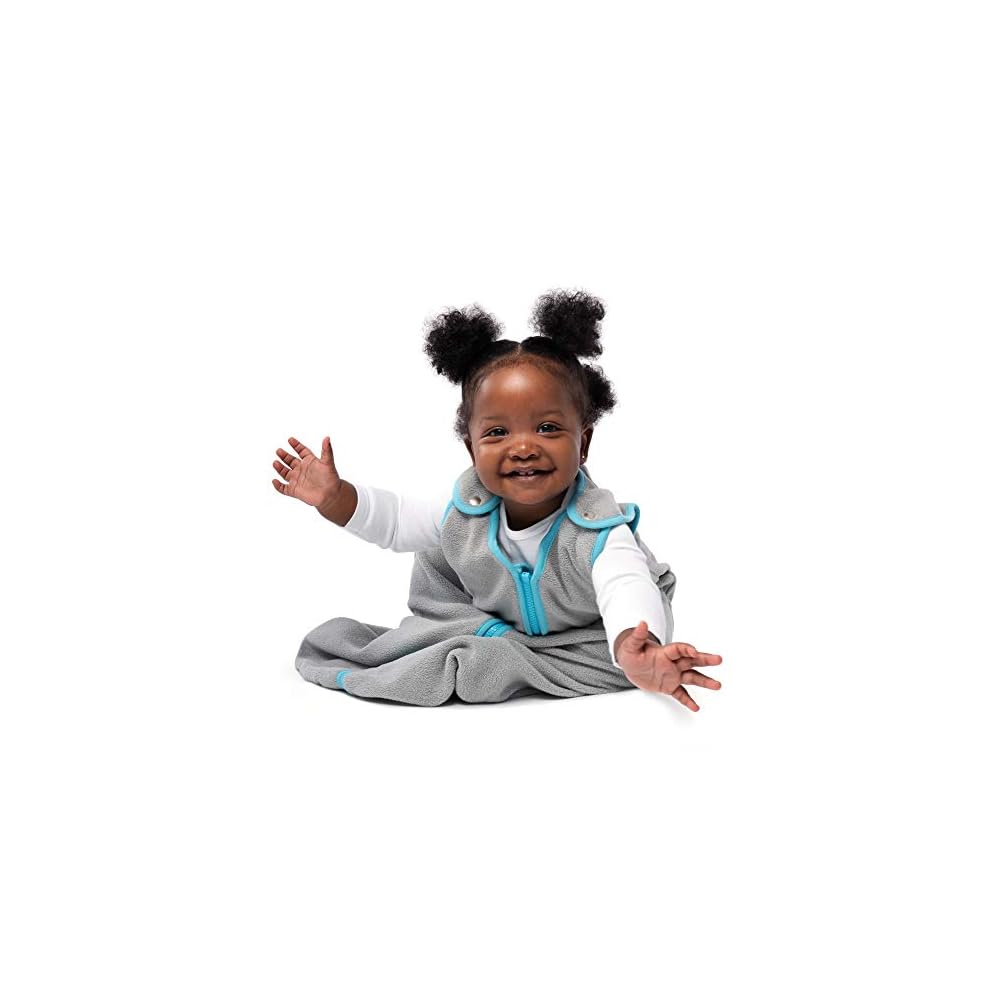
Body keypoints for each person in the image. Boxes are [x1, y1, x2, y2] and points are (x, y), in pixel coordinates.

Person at [272, 289, 723, 708]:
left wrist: (633, 645)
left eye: (547, 428)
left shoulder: (599, 531)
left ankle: (612, 658)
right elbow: (396, 523)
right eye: (497, 432)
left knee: (613, 655)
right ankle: (494, 644)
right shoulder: (465, 509)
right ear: (471, 449)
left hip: (582, 635)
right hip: (491, 620)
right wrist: (335, 497)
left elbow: (626, 585)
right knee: (435, 635)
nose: (523, 447)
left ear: (583, 442)